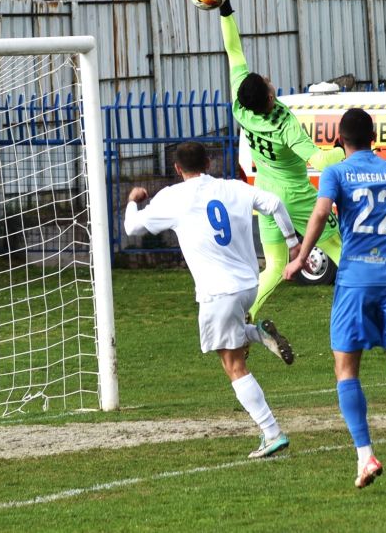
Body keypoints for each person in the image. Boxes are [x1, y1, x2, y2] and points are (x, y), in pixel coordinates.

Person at [283, 108, 386, 489]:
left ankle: (365, 456)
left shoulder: (336, 172)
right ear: (374, 137)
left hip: (355, 278)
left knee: (346, 369)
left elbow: (322, 212)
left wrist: (302, 257)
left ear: (340, 140)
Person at [124, 141, 298, 459]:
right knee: (231, 339)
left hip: (218, 292)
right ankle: (257, 333)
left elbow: (132, 228)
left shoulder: (173, 197)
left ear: (178, 169)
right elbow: (274, 203)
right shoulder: (234, 188)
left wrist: (133, 202)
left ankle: (272, 432)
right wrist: (292, 243)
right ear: (209, 162)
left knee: (233, 364)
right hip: (248, 286)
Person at [213, 0, 346, 328]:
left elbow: (233, 49)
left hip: (264, 192)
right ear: (269, 95)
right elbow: (318, 159)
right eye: (269, 84)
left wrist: (225, 6)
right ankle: (374, 309)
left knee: (272, 265)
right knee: (341, 249)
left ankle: (247, 315)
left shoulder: (242, 105)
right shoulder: (285, 125)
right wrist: (343, 149)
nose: (270, 81)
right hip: (294, 194)